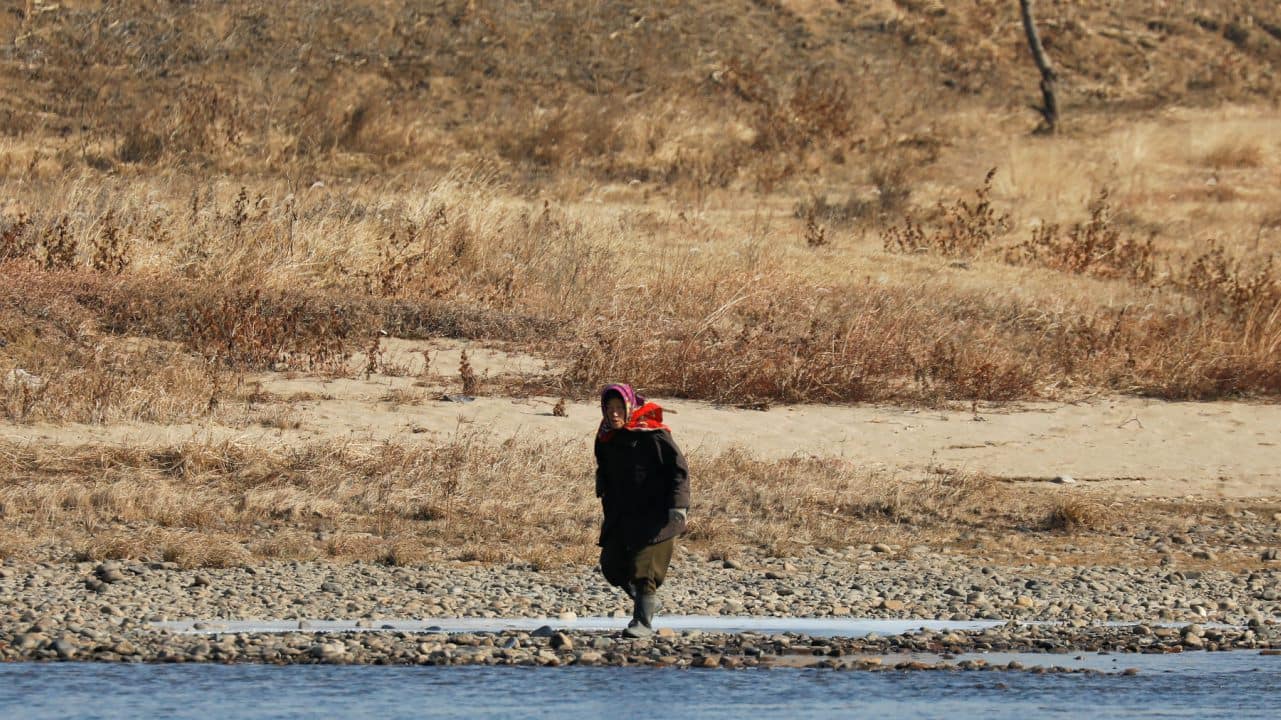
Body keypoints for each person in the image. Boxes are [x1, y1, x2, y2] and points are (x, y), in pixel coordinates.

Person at [594, 383, 690, 638]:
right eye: (609, 408)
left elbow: (678, 470)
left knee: (645, 569)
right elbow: (603, 468)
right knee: (612, 564)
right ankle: (645, 602)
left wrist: (678, 507)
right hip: (623, 513)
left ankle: (643, 623)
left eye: (618, 408)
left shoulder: (653, 434)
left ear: (629, 407)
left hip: (657, 513)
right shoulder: (605, 436)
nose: (614, 414)